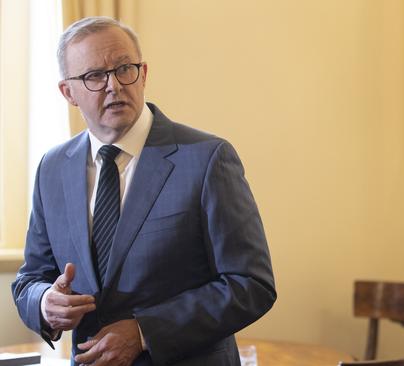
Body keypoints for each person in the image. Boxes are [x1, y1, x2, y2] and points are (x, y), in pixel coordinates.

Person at [12, 16, 276, 366]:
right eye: (94, 76)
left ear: (144, 73)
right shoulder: (53, 167)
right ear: (68, 93)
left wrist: (144, 332)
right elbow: (31, 278)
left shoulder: (207, 158)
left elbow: (251, 284)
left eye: (124, 69)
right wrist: (45, 301)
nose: (114, 86)